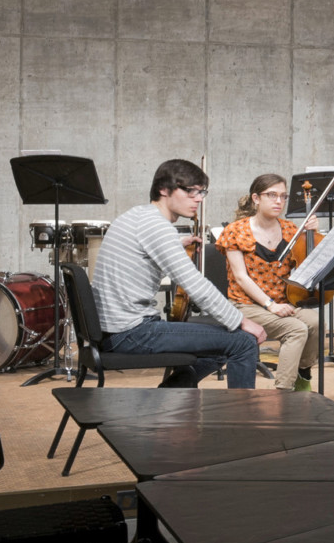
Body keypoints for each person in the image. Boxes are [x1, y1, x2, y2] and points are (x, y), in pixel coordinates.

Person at [93, 158, 264, 387]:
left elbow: (146, 246)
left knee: (219, 342)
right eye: (190, 191)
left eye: (201, 192)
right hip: (131, 333)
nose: (199, 199)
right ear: (164, 189)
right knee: (243, 341)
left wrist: (177, 242)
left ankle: (167, 400)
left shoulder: (139, 216)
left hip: (112, 329)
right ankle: (242, 419)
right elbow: (195, 285)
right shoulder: (157, 227)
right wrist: (241, 320)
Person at [216, 174, 320, 393]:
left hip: (282, 302)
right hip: (246, 305)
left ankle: (303, 372)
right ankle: (283, 392)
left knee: (314, 321)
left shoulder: (291, 230)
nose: (278, 201)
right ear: (256, 198)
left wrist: (312, 233)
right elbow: (241, 278)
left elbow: (306, 267)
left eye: (283, 196)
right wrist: (270, 305)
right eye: (271, 195)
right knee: (296, 329)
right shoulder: (236, 231)